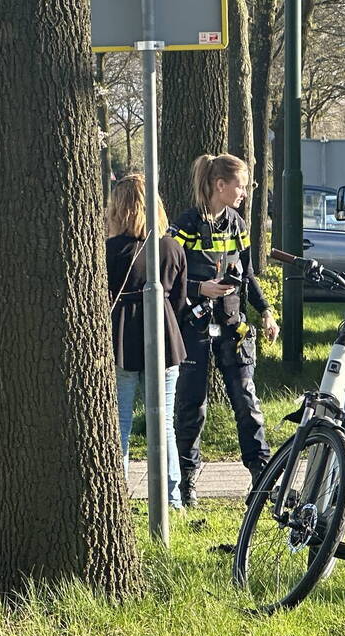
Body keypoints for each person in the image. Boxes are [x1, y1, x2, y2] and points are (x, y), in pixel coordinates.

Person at [170, 153, 279, 506]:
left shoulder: (237, 224)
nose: (245, 193)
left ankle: (261, 477)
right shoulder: (186, 225)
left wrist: (266, 311)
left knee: (247, 401)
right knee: (192, 406)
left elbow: (246, 275)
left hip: (233, 324)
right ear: (220, 185)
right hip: (194, 326)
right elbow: (166, 277)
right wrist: (199, 289)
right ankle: (187, 483)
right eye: (241, 186)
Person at [106, 174, 188, 509]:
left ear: (119, 208)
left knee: (118, 422)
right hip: (165, 335)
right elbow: (180, 300)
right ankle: (172, 497)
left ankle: (116, 495)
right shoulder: (172, 247)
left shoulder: (109, 250)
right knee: (164, 421)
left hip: (123, 335)